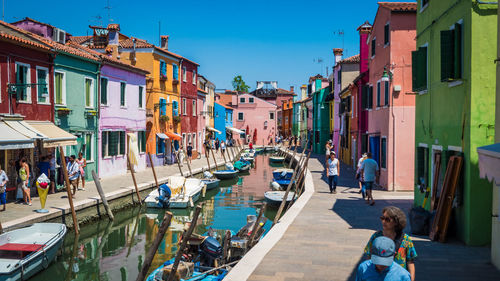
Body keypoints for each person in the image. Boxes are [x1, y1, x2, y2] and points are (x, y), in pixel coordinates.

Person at [364, 206, 417, 280]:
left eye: (387, 219)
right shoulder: (376, 237)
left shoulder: (406, 240)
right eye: (382, 218)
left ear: (396, 222)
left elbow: (410, 262)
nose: (383, 221)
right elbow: (369, 257)